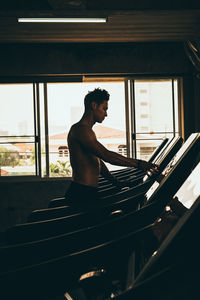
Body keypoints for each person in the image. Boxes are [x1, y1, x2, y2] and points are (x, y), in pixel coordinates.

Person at [65, 88, 158, 208]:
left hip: (88, 192)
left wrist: (116, 182)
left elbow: (98, 162)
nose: (106, 114)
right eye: (104, 109)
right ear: (94, 105)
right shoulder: (80, 130)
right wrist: (140, 164)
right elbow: (106, 155)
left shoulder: (88, 131)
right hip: (81, 193)